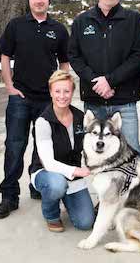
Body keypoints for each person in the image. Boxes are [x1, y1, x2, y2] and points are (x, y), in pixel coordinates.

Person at [0, 0, 70, 219]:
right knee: (15, 146)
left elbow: (64, 62)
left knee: (43, 146)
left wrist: (61, 90)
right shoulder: (16, 25)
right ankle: (9, 196)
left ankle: (37, 184)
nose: (39, 0)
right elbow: (5, 56)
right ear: (29, 1)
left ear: (48, 1)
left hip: (47, 100)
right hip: (21, 98)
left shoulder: (58, 29)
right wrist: (9, 85)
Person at [68, 0, 140, 154]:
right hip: (94, 102)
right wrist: (96, 81)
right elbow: (74, 56)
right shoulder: (81, 21)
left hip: (124, 102)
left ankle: (135, 184)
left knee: (131, 151)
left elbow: (138, 55)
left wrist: (110, 80)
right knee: (97, 154)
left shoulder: (133, 20)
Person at [30, 70, 94, 232]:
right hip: (47, 173)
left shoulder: (80, 117)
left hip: (72, 177)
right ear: (51, 92)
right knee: (57, 184)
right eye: (57, 91)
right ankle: (51, 214)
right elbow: (48, 163)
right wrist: (77, 170)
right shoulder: (43, 121)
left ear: (72, 92)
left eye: (67, 91)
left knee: (85, 222)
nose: (62, 96)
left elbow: (89, 147)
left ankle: (66, 197)